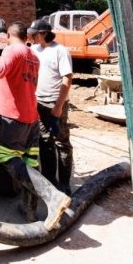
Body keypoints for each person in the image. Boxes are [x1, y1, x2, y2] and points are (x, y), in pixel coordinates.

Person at [0, 21, 71, 229]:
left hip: (13, 118)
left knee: (7, 157)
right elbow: (26, 82)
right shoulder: (33, 56)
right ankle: (29, 210)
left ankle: (53, 197)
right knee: (30, 164)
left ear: (9, 34)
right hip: (31, 118)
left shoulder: (11, 50)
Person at [28, 19, 74, 195]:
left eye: (35, 34)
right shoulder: (34, 50)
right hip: (38, 103)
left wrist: (59, 106)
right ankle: (49, 181)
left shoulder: (60, 51)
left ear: (44, 33)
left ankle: (64, 183)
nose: (32, 36)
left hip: (54, 103)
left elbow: (67, 79)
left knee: (61, 143)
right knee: (44, 141)